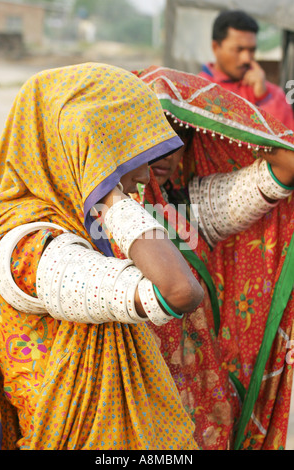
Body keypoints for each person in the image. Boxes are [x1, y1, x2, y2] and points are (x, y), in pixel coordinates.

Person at [0, 62, 205, 450]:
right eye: (129, 155)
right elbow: (177, 291)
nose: (144, 175)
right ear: (85, 148)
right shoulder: (27, 250)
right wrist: (107, 192)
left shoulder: (80, 224)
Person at [133, 65, 294, 450]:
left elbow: (286, 168)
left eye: (180, 136)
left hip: (192, 397)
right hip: (127, 388)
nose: (167, 149)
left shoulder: (192, 207)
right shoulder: (84, 211)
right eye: (153, 133)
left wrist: (218, 117)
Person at [199, 10, 294, 130]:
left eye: (252, 50)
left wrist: (263, 98)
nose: (247, 59)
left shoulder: (272, 94)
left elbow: (285, 143)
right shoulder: (197, 89)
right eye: (238, 50)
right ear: (215, 47)